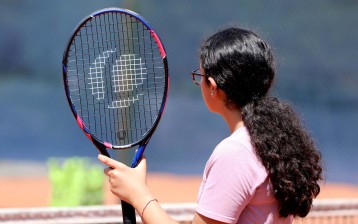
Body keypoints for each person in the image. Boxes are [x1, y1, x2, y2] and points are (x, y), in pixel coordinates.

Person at [98, 27, 323, 224]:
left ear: (213, 87)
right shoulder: (273, 142)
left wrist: (138, 195)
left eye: (200, 76)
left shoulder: (235, 154)